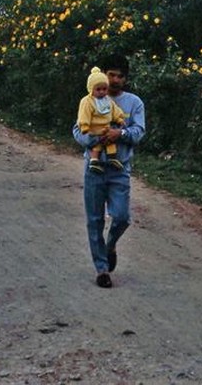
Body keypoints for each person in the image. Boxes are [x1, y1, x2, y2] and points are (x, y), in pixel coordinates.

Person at [72, 53, 145, 288]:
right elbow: (77, 131)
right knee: (94, 220)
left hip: (119, 168)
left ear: (125, 78)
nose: (114, 80)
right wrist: (93, 139)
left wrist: (119, 134)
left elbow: (139, 132)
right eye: (110, 75)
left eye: (119, 76)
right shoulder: (88, 100)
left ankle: (110, 244)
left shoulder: (134, 103)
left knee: (122, 216)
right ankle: (102, 269)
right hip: (94, 169)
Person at [76, 67, 128, 173]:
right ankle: (94, 161)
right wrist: (85, 126)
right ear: (91, 89)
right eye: (98, 89)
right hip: (94, 129)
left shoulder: (107, 101)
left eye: (104, 89)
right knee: (97, 145)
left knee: (110, 143)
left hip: (106, 128)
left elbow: (114, 111)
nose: (101, 92)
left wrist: (119, 119)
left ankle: (112, 158)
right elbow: (84, 115)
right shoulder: (87, 101)